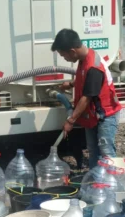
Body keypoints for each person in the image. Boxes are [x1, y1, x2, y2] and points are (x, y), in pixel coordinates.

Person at [52, 29, 121, 169]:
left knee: (106, 152)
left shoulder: (93, 66)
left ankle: (113, 186)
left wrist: (70, 121)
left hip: (106, 116)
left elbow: (87, 97)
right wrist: (71, 84)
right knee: (93, 150)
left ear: (72, 51)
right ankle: (96, 182)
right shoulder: (85, 58)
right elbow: (85, 80)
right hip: (93, 115)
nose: (64, 58)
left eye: (63, 55)